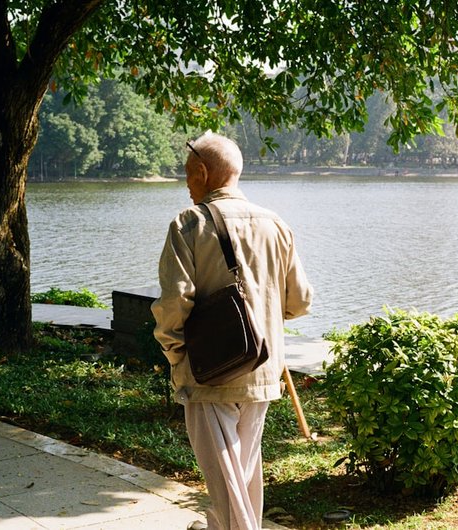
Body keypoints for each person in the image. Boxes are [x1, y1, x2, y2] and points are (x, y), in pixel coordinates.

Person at [151, 133, 313, 530]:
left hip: (209, 370)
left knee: (226, 480)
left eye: (189, 175)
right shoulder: (276, 223)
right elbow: (301, 300)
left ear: (204, 173)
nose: (187, 185)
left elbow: (175, 303)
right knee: (243, 472)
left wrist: (177, 355)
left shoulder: (189, 224)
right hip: (261, 366)